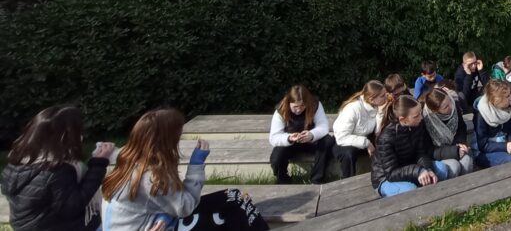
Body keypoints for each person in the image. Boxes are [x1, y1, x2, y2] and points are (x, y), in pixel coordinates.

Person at [102, 109, 269, 231]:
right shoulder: (151, 175)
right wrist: (196, 165)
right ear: (165, 141)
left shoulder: (129, 158)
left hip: (158, 219)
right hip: (156, 225)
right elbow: (185, 207)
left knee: (235, 197)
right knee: (229, 216)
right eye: (177, 136)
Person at [2, 105, 115, 231]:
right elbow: (73, 207)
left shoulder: (19, 161)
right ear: (66, 136)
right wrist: (98, 164)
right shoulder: (56, 170)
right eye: (78, 131)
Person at [370, 95, 449, 197]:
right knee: (411, 190)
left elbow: (421, 153)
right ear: (403, 120)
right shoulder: (385, 138)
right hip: (385, 178)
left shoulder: (417, 125)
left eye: (420, 113)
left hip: (409, 168)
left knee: (442, 169)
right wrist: (418, 171)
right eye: (416, 116)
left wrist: (427, 169)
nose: (421, 117)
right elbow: (391, 173)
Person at [268, 85, 333, 184]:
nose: (299, 110)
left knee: (328, 141)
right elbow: (274, 137)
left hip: (311, 141)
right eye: (295, 107)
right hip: (291, 144)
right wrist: (289, 138)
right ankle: (283, 179)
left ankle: (317, 179)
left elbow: (323, 127)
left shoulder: (315, 104)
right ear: (289, 103)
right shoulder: (280, 111)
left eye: (302, 106)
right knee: (276, 157)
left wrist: (311, 134)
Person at [332, 81, 389, 178]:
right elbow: (341, 137)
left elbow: (377, 132)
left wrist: (380, 113)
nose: (386, 97)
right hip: (344, 141)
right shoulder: (353, 108)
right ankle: (348, 182)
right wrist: (366, 143)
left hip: (364, 138)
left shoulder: (377, 106)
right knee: (348, 154)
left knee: (385, 141)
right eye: (383, 96)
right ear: (372, 99)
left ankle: (385, 175)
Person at [473, 80, 511, 167]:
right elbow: (483, 145)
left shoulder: (507, 109)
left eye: (510, 94)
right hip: (485, 152)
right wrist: (505, 146)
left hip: (505, 145)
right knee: (510, 160)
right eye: (507, 96)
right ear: (496, 99)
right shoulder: (481, 116)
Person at [421, 88, 473, 178]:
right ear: (435, 111)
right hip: (437, 155)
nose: (451, 106)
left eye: (449, 101)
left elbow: (461, 127)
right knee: (454, 166)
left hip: (455, 147)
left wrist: (460, 142)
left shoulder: (454, 105)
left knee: (467, 161)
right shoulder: (425, 120)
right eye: (445, 107)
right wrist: (454, 151)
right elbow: (428, 150)